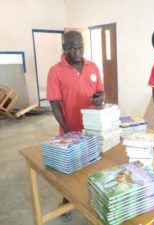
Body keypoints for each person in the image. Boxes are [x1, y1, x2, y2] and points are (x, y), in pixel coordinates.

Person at [46, 30, 105, 221]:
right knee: (70, 171)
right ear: (64, 48)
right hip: (70, 130)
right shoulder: (55, 71)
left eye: (80, 48)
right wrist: (67, 129)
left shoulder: (93, 67)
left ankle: (95, 198)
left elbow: (101, 93)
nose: (77, 52)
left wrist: (100, 99)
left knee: (95, 165)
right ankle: (66, 202)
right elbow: (54, 103)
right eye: (72, 48)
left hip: (93, 129)